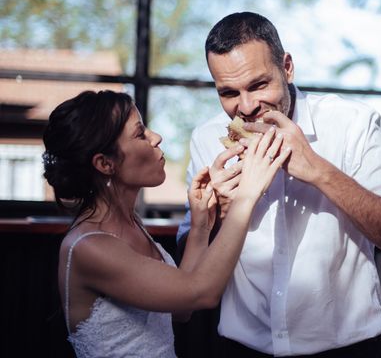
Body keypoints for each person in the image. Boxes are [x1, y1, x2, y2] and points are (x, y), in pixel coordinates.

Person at [177, 12, 381, 357]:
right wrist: (218, 214)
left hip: (347, 349)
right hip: (240, 348)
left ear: (287, 67)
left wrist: (317, 170)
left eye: (258, 85)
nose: (247, 107)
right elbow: (190, 268)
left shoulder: (351, 125)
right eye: (228, 93)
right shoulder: (207, 139)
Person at [43, 90, 289, 358]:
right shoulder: (90, 247)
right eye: (140, 134)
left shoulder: (129, 224)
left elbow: (181, 310)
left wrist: (201, 224)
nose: (156, 137)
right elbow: (202, 293)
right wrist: (247, 196)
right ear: (105, 163)